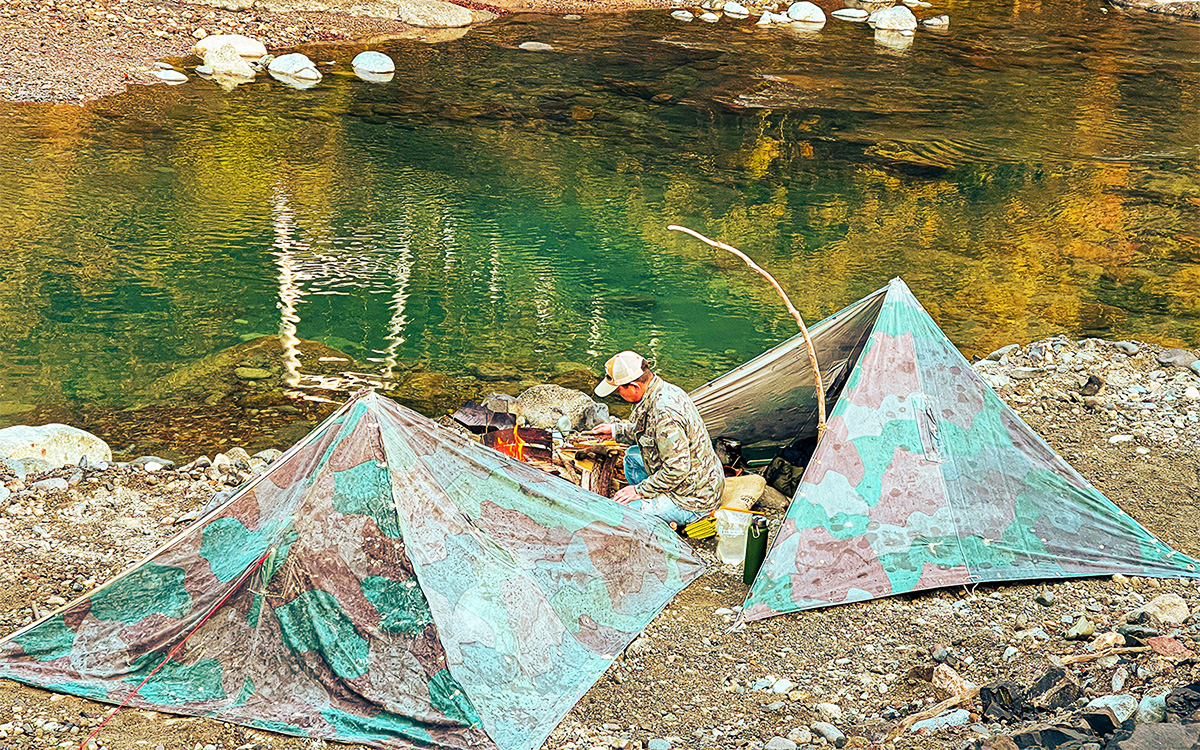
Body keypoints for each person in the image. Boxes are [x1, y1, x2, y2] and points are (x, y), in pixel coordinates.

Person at [588, 351, 725, 527]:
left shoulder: (665, 413)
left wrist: (639, 490)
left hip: (695, 498)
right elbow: (649, 431)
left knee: (623, 511)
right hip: (689, 475)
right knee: (631, 457)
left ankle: (661, 506)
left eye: (619, 390)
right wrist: (616, 430)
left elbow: (677, 469)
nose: (618, 395)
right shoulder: (661, 389)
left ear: (635, 386)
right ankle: (653, 497)